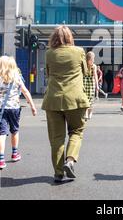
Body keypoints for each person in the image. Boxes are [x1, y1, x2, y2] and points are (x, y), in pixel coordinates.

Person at [41, 26, 90, 183]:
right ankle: (70, 160)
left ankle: (58, 173)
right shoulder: (79, 51)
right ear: (70, 37)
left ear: (54, 38)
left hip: (53, 99)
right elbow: (86, 72)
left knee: (56, 138)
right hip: (75, 99)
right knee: (76, 131)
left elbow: (48, 74)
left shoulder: (49, 53)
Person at [83, 51, 98, 121]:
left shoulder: (94, 66)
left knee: (91, 100)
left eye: (93, 59)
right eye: (91, 59)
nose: (93, 60)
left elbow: (95, 75)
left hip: (91, 84)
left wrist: (97, 85)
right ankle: (86, 114)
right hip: (84, 83)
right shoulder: (84, 65)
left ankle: (90, 113)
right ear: (88, 59)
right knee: (85, 99)